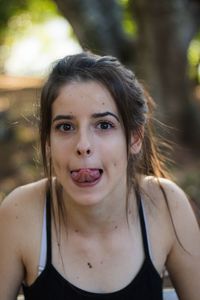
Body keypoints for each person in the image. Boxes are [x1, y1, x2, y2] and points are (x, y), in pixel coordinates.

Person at [0, 52, 200, 300]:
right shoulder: (20, 213)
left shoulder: (166, 205)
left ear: (134, 138)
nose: (83, 145)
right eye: (65, 127)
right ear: (48, 142)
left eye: (104, 125)